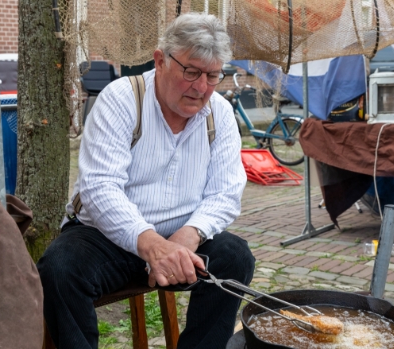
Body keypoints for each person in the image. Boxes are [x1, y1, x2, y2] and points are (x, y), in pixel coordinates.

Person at [37, 13, 255, 349]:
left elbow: (225, 194)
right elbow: (100, 188)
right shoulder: (121, 99)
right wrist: (153, 246)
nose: (201, 88)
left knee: (235, 257)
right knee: (60, 268)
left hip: (181, 242)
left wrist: (187, 238)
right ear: (160, 60)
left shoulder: (220, 115)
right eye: (191, 72)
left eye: (213, 76)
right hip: (106, 240)